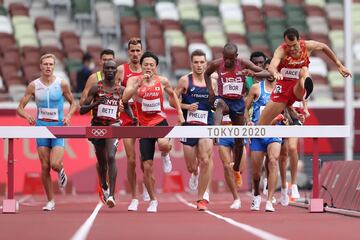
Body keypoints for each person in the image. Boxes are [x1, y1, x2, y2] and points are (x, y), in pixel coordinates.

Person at [122, 51, 184, 212]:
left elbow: (173, 95)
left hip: (159, 121)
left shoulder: (162, 81)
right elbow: (124, 98)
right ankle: (153, 200)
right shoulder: (134, 80)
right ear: (141, 66)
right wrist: (138, 84)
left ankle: (165, 154)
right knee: (147, 166)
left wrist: (179, 112)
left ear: (156, 67)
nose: (148, 67)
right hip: (143, 126)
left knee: (164, 145)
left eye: (151, 65)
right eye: (145, 65)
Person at [204, 42, 271, 186]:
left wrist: (252, 73)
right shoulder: (217, 63)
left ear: (236, 56)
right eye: (225, 58)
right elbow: (206, 73)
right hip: (224, 100)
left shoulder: (243, 63)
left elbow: (268, 73)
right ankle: (216, 132)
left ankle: (236, 170)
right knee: (220, 105)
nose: (227, 61)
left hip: (238, 103)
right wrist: (210, 90)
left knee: (239, 141)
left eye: (230, 58)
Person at [17, 53, 77, 211]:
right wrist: (28, 116)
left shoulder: (62, 84)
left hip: (58, 127)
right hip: (41, 127)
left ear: (54, 66)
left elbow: (73, 103)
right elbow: (19, 108)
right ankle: (50, 201)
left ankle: (60, 169)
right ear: (41, 66)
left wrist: (69, 116)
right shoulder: (33, 85)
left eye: (51, 64)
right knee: (44, 167)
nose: (48, 67)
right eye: (45, 64)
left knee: (55, 163)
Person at [258, 27, 351, 126]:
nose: (292, 49)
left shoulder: (307, 46)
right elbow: (272, 65)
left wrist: (339, 64)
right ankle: (255, 138)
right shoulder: (281, 50)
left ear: (299, 40)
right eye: (289, 46)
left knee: (304, 70)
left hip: (297, 86)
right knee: (262, 123)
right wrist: (275, 73)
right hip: (283, 87)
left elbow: (324, 47)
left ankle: (306, 90)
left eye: (294, 45)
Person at [80, 60, 137, 208]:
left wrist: (132, 117)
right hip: (97, 126)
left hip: (113, 126)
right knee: (102, 161)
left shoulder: (121, 90)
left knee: (111, 156)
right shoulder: (95, 88)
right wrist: (95, 103)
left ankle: (111, 194)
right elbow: (82, 110)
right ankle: (104, 185)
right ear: (103, 70)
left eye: (113, 68)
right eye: (108, 68)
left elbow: (127, 106)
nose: (111, 70)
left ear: (115, 71)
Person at [175, 49, 214, 210]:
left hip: (206, 124)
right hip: (189, 126)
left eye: (202, 62)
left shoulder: (213, 81)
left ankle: (201, 198)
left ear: (206, 64)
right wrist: (185, 106)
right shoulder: (185, 81)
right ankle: (195, 173)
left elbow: (219, 102)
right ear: (192, 63)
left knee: (205, 159)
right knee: (191, 165)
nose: (199, 65)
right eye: (196, 62)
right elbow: (173, 100)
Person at [245, 58, 282, 212]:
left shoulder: (281, 89)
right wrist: (248, 122)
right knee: (256, 171)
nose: (271, 73)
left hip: (274, 131)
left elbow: (286, 108)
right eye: (268, 70)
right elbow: (245, 109)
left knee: (273, 161)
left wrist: (286, 117)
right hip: (258, 132)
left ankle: (269, 200)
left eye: (273, 70)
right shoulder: (256, 88)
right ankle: (256, 193)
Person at [115, 37, 144, 211]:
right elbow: (116, 90)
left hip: (146, 116)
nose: (135, 54)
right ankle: (134, 197)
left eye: (137, 50)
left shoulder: (148, 68)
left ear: (141, 51)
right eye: (132, 51)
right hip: (127, 116)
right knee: (131, 159)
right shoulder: (121, 70)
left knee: (145, 160)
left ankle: (147, 187)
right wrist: (119, 101)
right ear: (128, 52)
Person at [217, 114, 246, 210]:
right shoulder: (218, 99)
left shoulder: (241, 99)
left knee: (240, 168)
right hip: (223, 133)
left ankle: (237, 171)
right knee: (226, 166)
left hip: (238, 131)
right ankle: (236, 198)